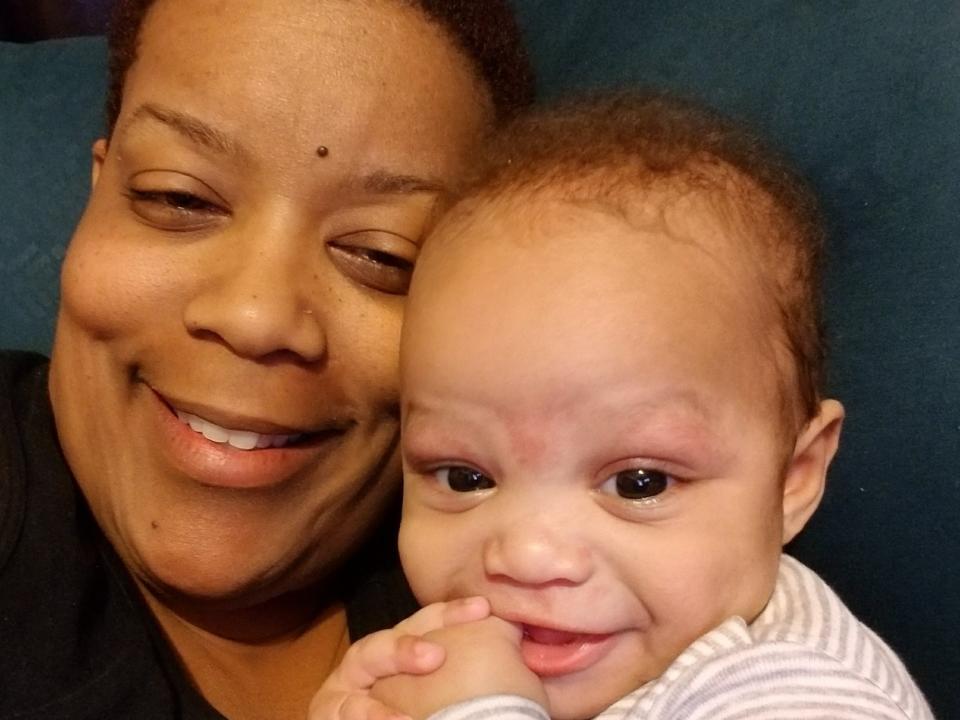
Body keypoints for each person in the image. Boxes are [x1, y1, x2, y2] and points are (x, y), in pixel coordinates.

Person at [312, 93, 933, 720]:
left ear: (793, 479)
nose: (527, 556)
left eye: (640, 483)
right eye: (463, 478)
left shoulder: (798, 691)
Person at [0, 0, 533, 718]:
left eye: (381, 254)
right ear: (95, 197)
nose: (256, 317)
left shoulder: (552, 589)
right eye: (177, 196)